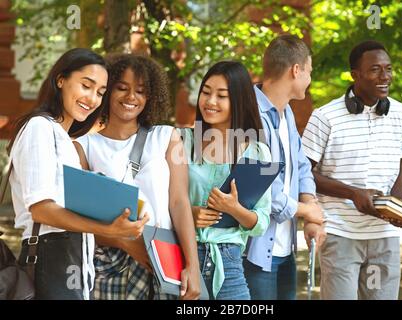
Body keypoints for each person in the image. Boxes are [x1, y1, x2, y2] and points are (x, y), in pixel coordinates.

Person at [8, 48, 148, 300]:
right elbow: (41, 209)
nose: (93, 98)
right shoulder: (40, 127)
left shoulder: (66, 140)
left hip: (75, 260)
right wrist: (109, 230)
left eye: (100, 92)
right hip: (51, 257)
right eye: (86, 85)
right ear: (61, 80)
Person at [74, 53, 201, 300]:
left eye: (141, 91)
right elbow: (78, 221)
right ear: (107, 91)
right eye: (122, 88)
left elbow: (179, 203)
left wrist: (192, 265)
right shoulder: (84, 146)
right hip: (109, 265)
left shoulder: (167, 137)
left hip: (164, 258)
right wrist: (124, 242)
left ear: (150, 97)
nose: (131, 97)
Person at [302, 40, 402, 300]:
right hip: (340, 233)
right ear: (355, 75)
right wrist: (353, 193)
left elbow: (399, 164)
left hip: (384, 235)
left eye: (388, 68)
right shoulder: (324, 116)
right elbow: (303, 173)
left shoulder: (400, 114)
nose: (385, 76)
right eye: (375, 69)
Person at [179, 61, 271, 300]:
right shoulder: (181, 140)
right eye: (206, 92)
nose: (210, 101)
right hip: (180, 258)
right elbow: (158, 199)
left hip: (228, 261)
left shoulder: (257, 152)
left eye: (222, 96)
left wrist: (234, 209)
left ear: (239, 100)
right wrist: (188, 213)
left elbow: (261, 222)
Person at [243, 34, 325, 300]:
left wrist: (310, 205)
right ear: (296, 70)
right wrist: (308, 212)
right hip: (255, 252)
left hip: (284, 249)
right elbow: (267, 193)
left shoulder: (286, 111)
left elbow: (302, 166)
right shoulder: (249, 114)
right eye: (309, 72)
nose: (309, 80)